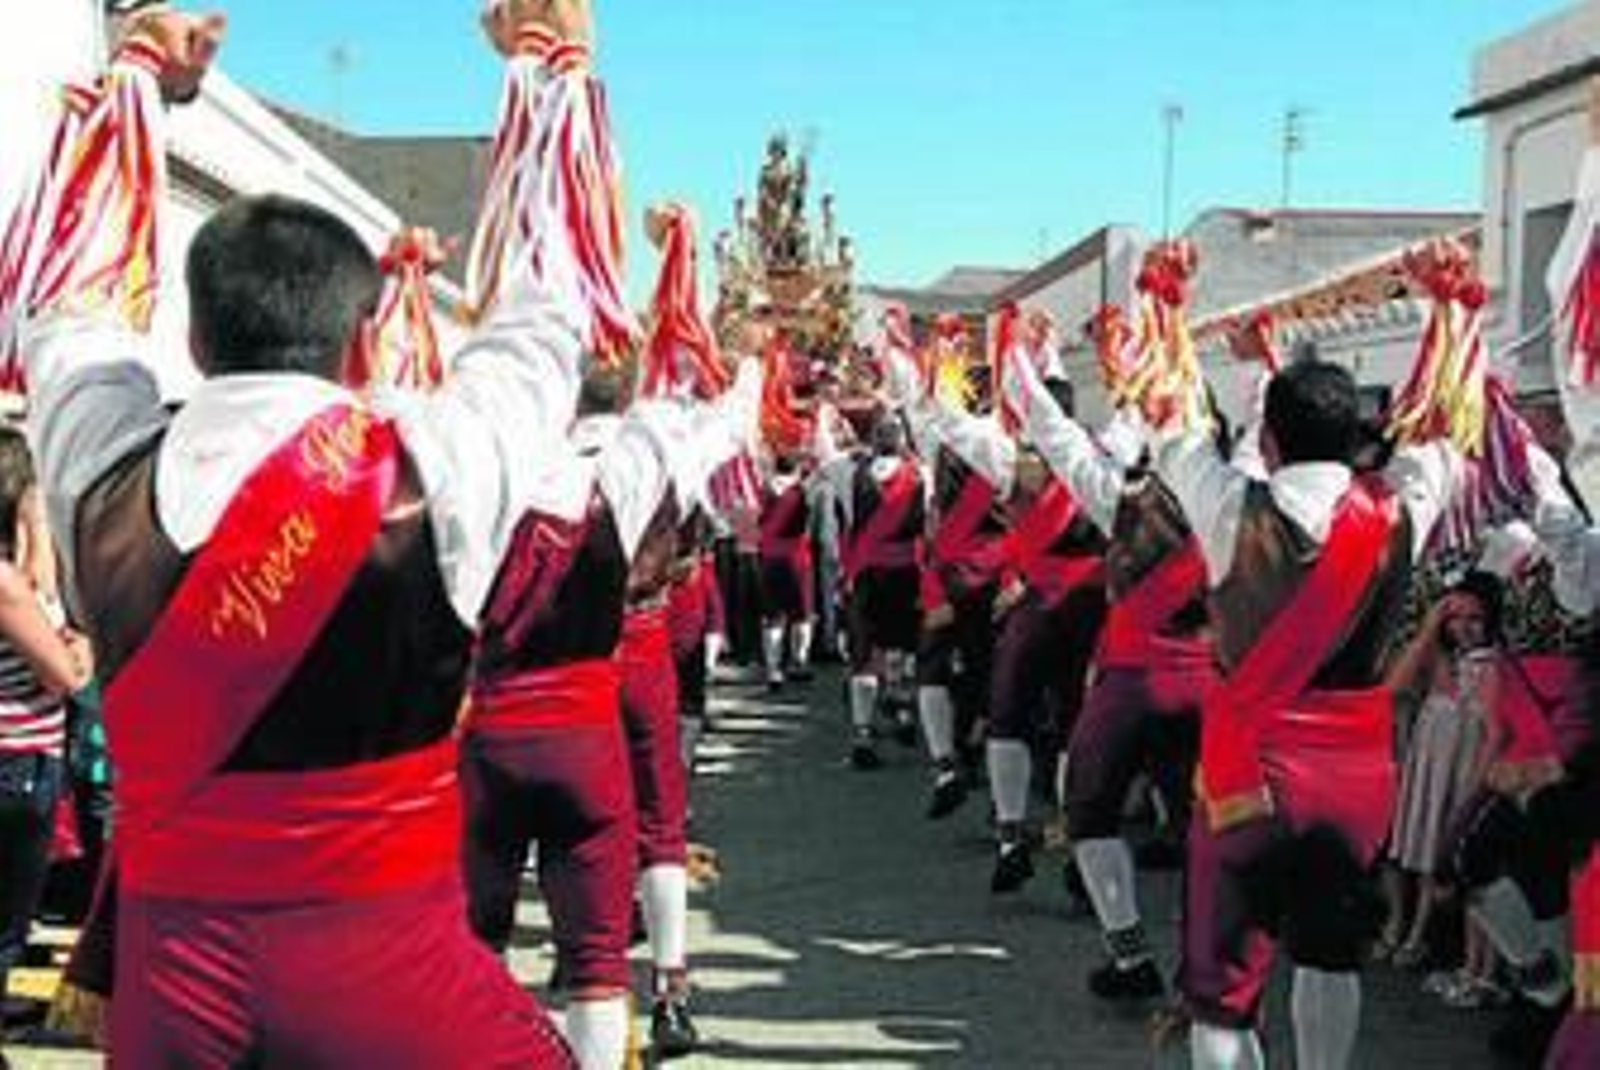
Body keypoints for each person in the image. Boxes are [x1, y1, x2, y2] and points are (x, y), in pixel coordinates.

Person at [15, 3, 618, 1063]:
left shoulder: (99, 467)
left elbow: (68, 306)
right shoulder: (438, 463)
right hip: (390, 982)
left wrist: (135, 76)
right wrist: (544, 73)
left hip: (171, 988)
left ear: (195, 339)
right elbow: (543, 310)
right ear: (360, 344)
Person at [1137, 357, 1459, 1070]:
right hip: (1354, 782)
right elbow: (1442, 442)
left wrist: (1176, 324)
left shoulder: (1228, 507)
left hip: (1247, 777)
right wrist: (1448, 322)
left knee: (1223, 985)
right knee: (1330, 954)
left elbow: (1175, 430)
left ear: (1271, 441)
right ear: (1357, 435)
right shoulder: (1404, 508)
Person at [0, 429, 92, 1015]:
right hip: (16, 763)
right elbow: (67, 674)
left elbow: (47, 595)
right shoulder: (5, 585)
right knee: (6, 924)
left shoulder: (15, 578)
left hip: (20, 761)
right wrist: (80, 647)